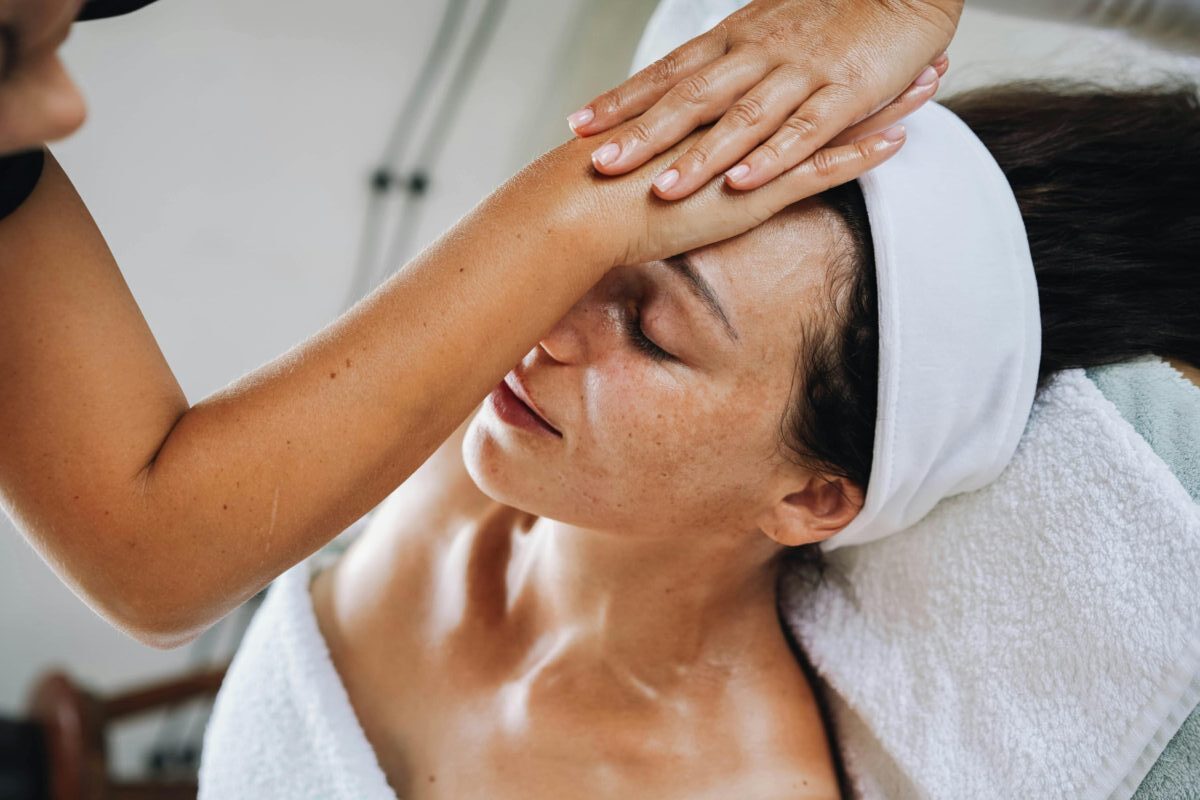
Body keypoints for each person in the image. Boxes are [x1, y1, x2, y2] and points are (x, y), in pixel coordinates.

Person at [194, 78, 1200, 797]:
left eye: (651, 331)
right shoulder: (459, 451)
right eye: (603, 260)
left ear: (811, 497)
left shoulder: (737, 782)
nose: (546, 321)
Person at [0, 0, 958, 646]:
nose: (65, 105)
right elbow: (154, 551)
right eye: (6, 53)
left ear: (815, 498)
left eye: (656, 333)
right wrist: (581, 212)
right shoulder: (444, 503)